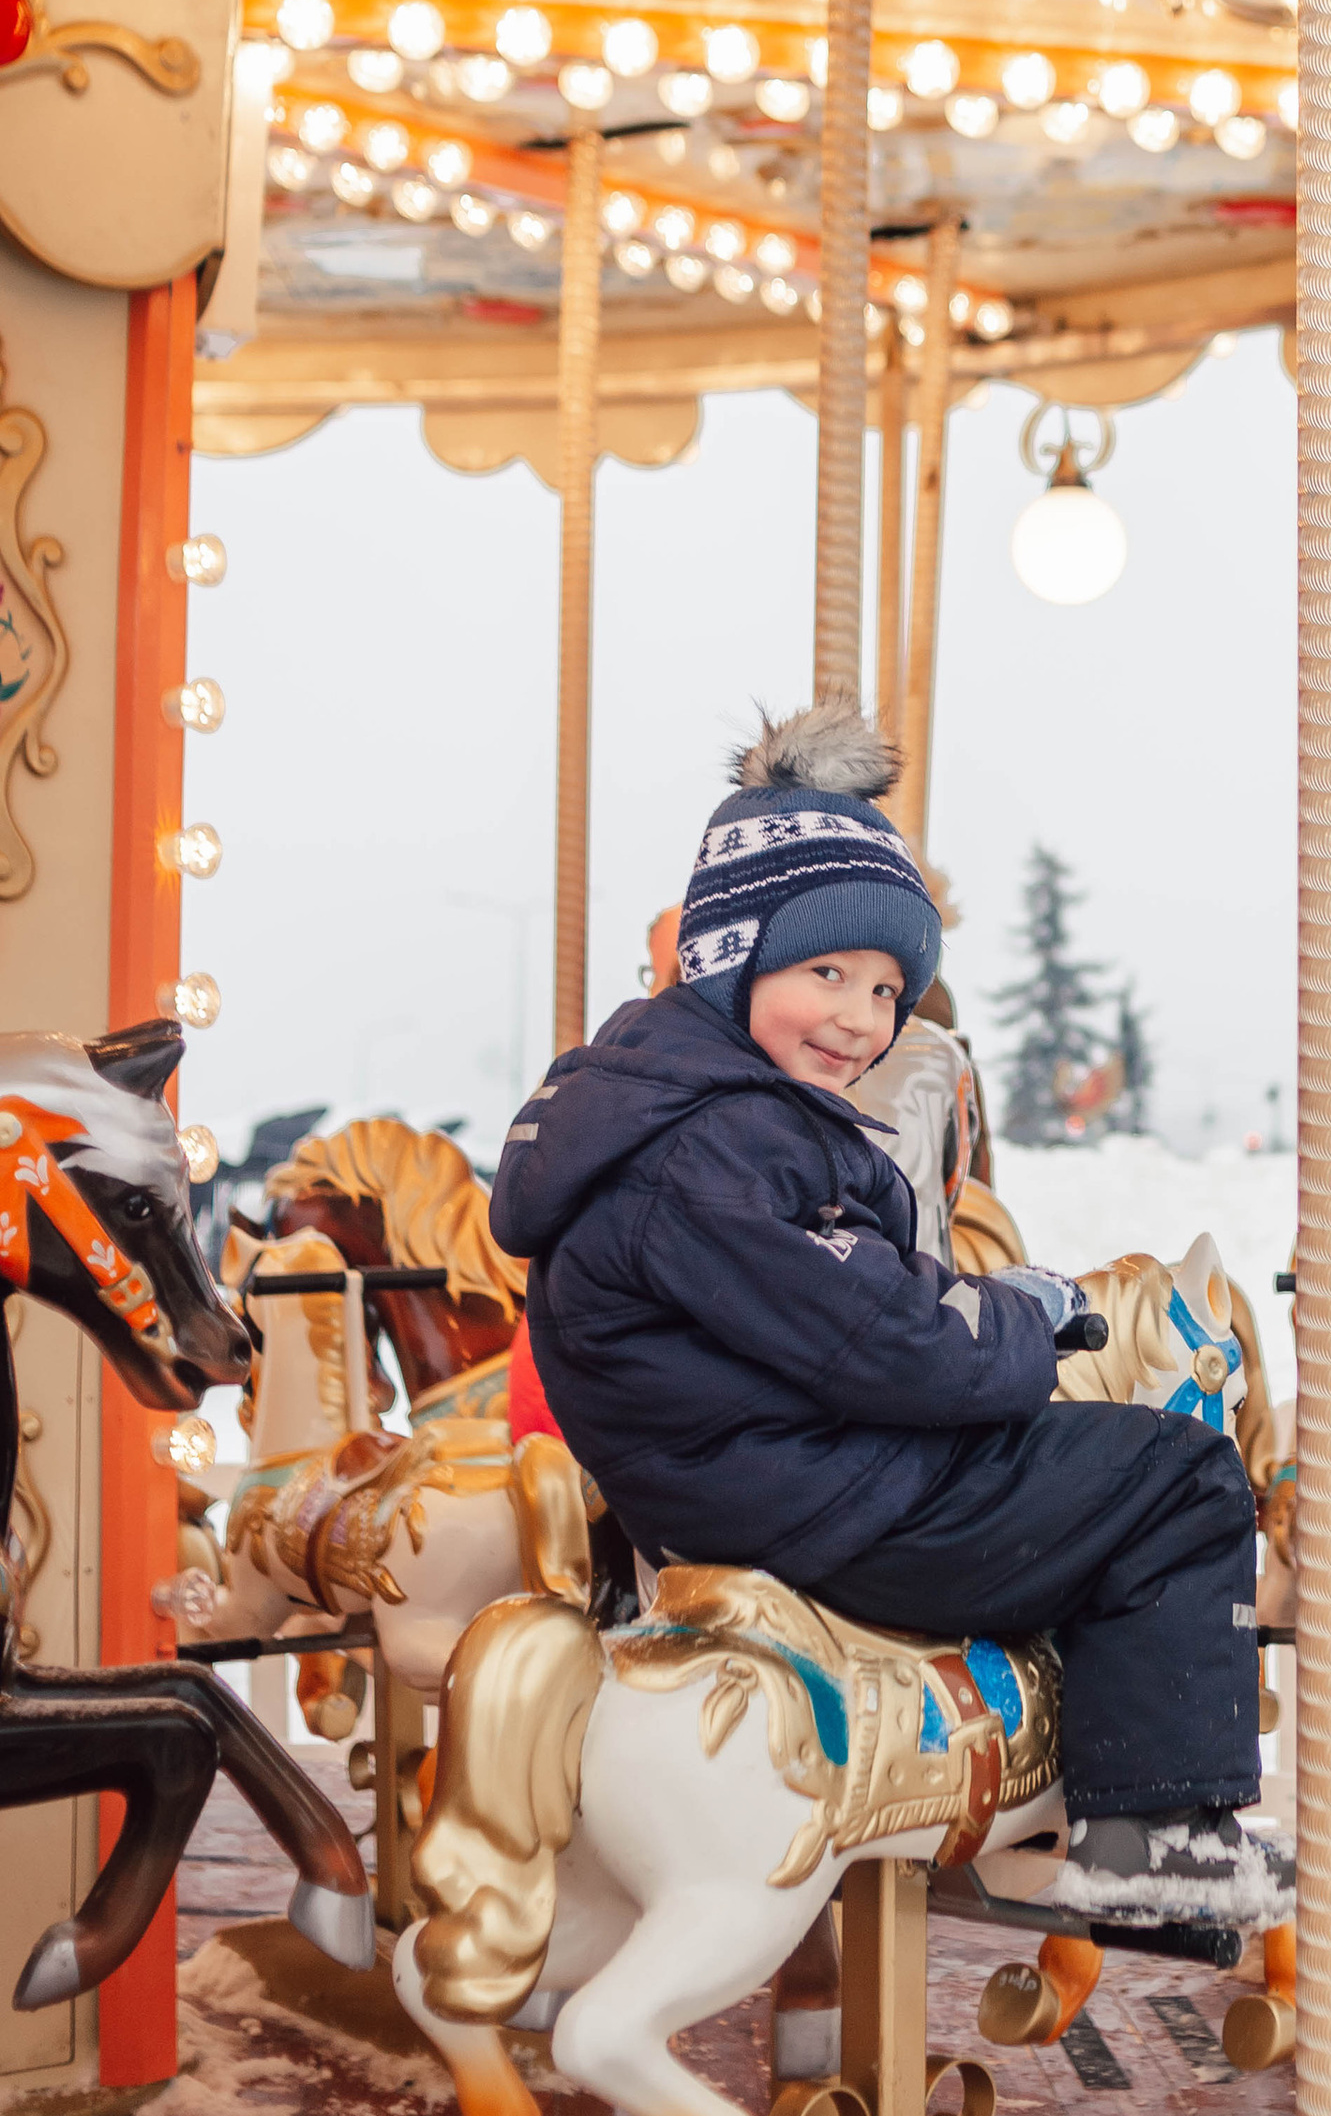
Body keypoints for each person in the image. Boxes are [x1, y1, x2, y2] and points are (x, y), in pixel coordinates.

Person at [492, 697, 1282, 1927]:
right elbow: (886, 1339)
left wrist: (991, 1312)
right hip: (820, 1498)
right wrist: (1023, 1321)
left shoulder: (679, 1117)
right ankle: (1156, 1832)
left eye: (886, 990)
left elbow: (849, 1299)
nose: (862, 1019)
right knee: (1177, 1474)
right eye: (826, 974)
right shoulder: (711, 1147)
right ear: (727, 956)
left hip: (773, 1473)